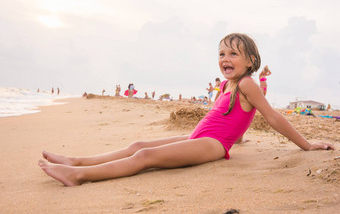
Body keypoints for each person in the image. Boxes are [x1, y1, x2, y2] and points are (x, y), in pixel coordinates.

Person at [39, 33, 335, 187]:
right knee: (138, 144)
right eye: (221, 53)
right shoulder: (225, 85)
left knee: (144, 157)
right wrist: (241, 137)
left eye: (233, 53)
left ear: (251, 60)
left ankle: (80, 176)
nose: (225, 58)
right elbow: (233, 117)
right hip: (198, 136)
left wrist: (306, 144)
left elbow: (270, 116)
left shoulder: (247, 84)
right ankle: (78, 161)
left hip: (213, 145)